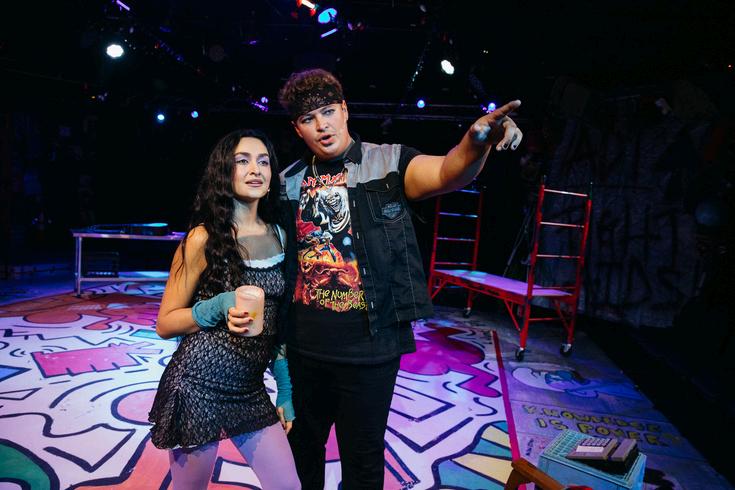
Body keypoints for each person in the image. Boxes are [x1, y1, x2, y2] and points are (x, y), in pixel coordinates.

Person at [277, 68, 523, 489]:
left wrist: (476, 141)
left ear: (345, 111)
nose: (322, 125)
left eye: (329, 111)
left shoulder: (388, 161)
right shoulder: (287, 182)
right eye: (308, 118)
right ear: (297, 129)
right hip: (305, 349)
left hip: (372, 348)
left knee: (363, 461)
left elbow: (448, 171)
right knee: (302, 455)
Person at [149, 129, 301, 490]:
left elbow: (277, 321)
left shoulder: (281, 235)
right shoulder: (203, 237)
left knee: (288, 486)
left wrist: (285, 387)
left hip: (249, 389)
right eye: (242, 161)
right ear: (224, 171)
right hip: (197, 385)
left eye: (263, 162)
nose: (255, 170)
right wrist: (218, 305)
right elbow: (165, 323)